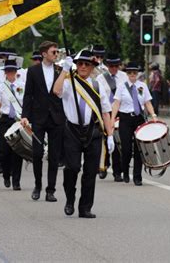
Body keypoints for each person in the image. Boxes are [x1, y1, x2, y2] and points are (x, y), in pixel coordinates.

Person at [53, 50, 114, 218]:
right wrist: (65, 69)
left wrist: (109, 135)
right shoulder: (68, 82)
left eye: (87, 64)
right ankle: (70, 199)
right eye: (80, 63)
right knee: (72, 168)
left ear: (92, 67)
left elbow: (106, 112)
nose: (83, 67)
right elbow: (56, 91)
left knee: (90, 171)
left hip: (92, 131)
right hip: (72, 130)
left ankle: (85, 207)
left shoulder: (97, 85)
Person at [21, 41, 64, 202]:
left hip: (56, 117)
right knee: (37, 153)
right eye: (53, 52)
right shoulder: (33, 71)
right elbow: (28, 94)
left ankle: (50, 190)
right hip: (38, 117)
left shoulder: (60, 70)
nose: (56, 54)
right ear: (44, 54)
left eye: (57, 52)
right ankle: (38, 185)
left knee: (54, 155)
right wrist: (25, 115)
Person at [111, 62, 158, 186]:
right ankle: (125, 171)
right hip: (125, 119)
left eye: (134, 73)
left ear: (137, 74)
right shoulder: (121, 86)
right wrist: (111, 119)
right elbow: (116, 103)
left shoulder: (142, 86)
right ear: (127, 74)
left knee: (139, 149)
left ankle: (138, 176)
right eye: (130, 72)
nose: (132, 75)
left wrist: (153, 115)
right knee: (126, 149)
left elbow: (147, 102)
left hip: (139, 118)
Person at [0, 59, 25, 190]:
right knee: (4, 151)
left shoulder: (22, 85)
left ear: (16, 72)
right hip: (4, 120)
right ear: (5, 73)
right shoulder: (0, 87)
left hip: (18, 120)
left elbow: (25, 103)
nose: (10, 73)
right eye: (8, 71)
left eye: (12, 71)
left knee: (17, 151)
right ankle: (6, 175)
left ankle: (16, 181)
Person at [96, 53, 128, 181]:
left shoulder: (124, 77)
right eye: (111, 66)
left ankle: (117, 172)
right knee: (105, 140)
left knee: (118, 142)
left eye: (116, 66)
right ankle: (103, 165)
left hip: (120, 111)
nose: (114, 68)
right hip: (106, 112)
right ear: (107, 66)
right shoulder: (100, 78)